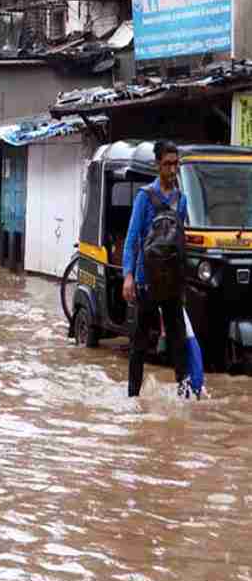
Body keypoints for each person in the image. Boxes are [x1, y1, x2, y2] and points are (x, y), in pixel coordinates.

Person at [122, 140, 189, 398]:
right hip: (145, 280)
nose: (172, 170)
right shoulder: (145, 197)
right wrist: (129, 276)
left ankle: (184, 397)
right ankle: (132, 397)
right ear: (157, 165)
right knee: (139, 344)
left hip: (172, 283)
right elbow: (132, 238)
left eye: (175, 164)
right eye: (167, 164)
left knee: (179, 343)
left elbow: (180, 240)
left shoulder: (181, 200)